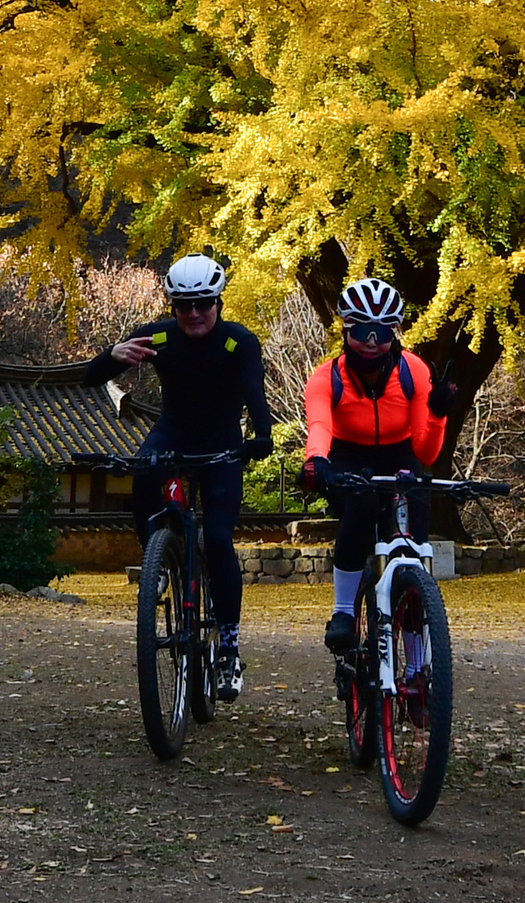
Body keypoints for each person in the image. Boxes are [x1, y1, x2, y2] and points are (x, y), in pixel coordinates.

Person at [81, 252, 273, 702]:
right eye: (182, 305)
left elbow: (255, 394)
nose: (192, 314)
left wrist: (261, 437)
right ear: (172, 305)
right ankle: (158, 563)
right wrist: (113, 356)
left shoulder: (238, 342)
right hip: (172, 433)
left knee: (220, 540)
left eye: (202, 303)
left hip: (222, 442)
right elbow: (91, 378)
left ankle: (228, 646)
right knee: (142, 478)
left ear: (218, 302)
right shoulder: (160, 336)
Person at [300, 277, 460, 649]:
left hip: (400, 455)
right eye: (362, 331)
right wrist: (316, 461)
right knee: (361, 505)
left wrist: (437, 415)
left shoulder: (414, 371)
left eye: (382, 332)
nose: (372, 341)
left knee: (414, 524)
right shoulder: (326, 378)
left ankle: (418, 659)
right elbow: (320, 425)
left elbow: (426, 453)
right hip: (346, 456)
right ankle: (344, 611)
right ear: (345, 329)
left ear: (394, 331)